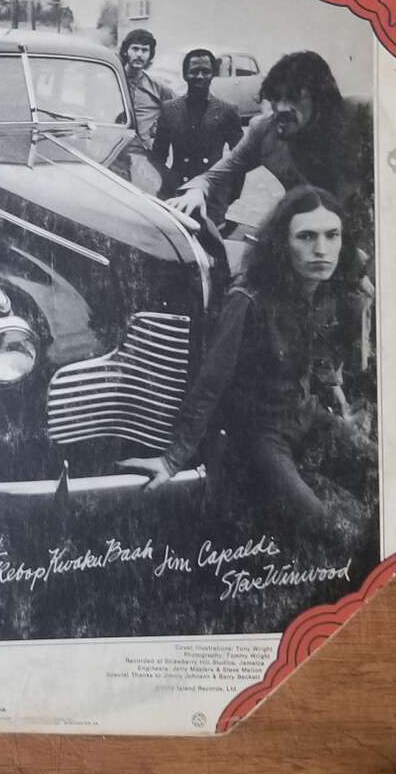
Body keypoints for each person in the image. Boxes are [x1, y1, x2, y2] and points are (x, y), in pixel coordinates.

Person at [119, 186, 375, 544]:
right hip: (262, 435)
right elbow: (211, 381)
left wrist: (339, 402)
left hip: (306, 414)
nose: (321, 249)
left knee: (383, 472)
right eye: (306, 236)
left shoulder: (322, 287)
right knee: (323, 526)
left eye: (332, 235)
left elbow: (319, 357)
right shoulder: (248, 297)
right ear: (282, 243)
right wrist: (172, 459)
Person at [168, 51, 374, 242]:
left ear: (321, 99)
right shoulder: (265, 130)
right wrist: (197, 191)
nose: (281, 108)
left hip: (365, 235)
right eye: (275, 98)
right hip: (308, 236)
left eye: (293, 98)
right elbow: (215, 176)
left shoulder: (360, 115)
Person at [150, 48, 243, 200]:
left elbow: (239, 158)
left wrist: (230, 194)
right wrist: (164, 186)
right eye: (194, 72)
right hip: (176, 191)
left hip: (211, 192)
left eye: (205, 72)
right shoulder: (169, 109)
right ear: (185, 75)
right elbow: (158, 156)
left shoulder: (227, 111)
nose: (199, 76)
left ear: (213, 74)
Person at [111, 28, 175, 188]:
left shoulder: (159, 88)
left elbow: (177, 110)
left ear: (150, 54)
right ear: (125, 51)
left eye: (145, 50)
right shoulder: (111, 80)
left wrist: (156, 130)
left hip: (145, 158)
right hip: (113, 152)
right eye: (135, 49)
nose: (139, 54)